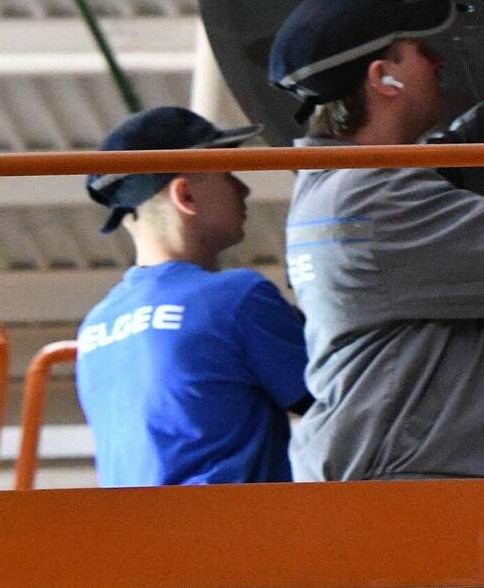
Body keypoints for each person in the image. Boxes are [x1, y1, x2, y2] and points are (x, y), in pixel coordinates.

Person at [269, 0, 484, 481]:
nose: (439, 62)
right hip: (409, 494)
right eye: (422, 52)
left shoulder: (338, 190)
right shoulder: (369, 201)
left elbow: (452, 159)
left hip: (401, 481)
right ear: (385, 79)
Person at [75, 106, 310, 486]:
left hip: (134, 540)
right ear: (186, 195)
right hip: (232, 537)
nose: (243, 188)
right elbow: (331, 401)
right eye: (227, 175)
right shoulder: (235, 299)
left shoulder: (96, 326)